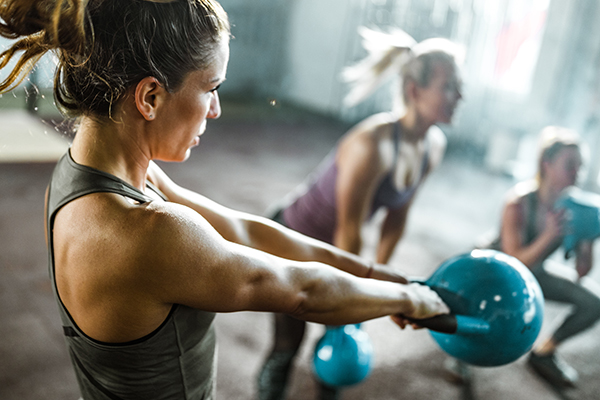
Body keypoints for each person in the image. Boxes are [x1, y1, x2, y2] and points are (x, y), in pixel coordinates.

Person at [0, 1, 450, 399]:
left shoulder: (80, 173)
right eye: (211, 87)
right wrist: (409, 301)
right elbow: (302, 291)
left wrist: (378, 275)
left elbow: (246, 230)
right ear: (151, 96)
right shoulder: (149, 232)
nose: (215, 109)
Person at [257, 27, 463, 400]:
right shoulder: (373, 144)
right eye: (449, 87)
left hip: (337, 243)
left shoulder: (433, 145)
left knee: (337, 346)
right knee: (289, 342)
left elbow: (396, 218)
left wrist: (380, 284)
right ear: (415, 91)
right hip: (294, 237)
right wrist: (360, 295)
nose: (459, 96)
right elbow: (349, 233)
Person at [484, 126, 600, 388]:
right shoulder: (518, 203)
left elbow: (582, 272)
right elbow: (514, 262)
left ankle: (544, 352)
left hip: (533, 273)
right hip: (495, 272)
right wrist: (549, 235)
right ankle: (461, 357)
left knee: (594, 303)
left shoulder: (574, 208)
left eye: (580, 167)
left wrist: (589, 240)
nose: (577, 174)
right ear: (546, 164)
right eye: (570, 165)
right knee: (488, 315)